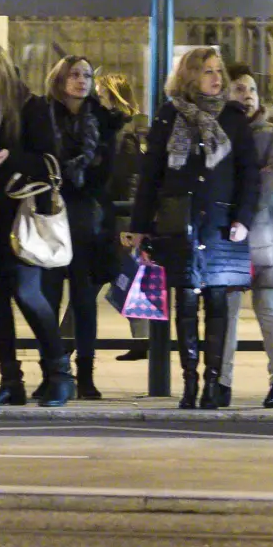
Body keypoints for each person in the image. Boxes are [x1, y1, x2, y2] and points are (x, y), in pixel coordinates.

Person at [123, 47, 259, 410]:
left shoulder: (234, 117)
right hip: (177, 222)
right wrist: (140, 226)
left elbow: (250, 176)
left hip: (221, 224)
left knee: (217, 302)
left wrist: (243, 219)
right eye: (206, 71)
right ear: (189, 77)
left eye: (218, 71)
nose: (216, 77)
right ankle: (189, 380)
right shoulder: (170, 116)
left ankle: (213, 382)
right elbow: (151, 175)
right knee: (183, 302)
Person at [0, 41, 74, 407]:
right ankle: (11, 380)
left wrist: (13, 157)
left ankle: (58, 374)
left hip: (21, 217)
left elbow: (51, 160)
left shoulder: (29, 107)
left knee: (27, 293)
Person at [37, 55, 125, 401]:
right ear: (59, 80)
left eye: (87, 75)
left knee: (84, 302)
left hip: (89, 221)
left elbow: (108, 174)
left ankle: (85, 375)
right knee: (48, 299)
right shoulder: (43, 116)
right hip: (51, 217)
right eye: (74, 75)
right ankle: (54, 373)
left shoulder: (102, 120)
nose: (81, 81)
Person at [222, 65, 273, 409]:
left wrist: (241, 210)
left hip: (263, 229)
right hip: (229, 232)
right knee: (227, 310)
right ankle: (221, 381)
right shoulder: (221, 131)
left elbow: (271, 177)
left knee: (268, 308)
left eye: (251, 89)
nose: (246, 96)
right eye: (238, 89)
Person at [98, 72, 150, 363]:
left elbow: (126, 176)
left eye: (99, 92)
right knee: (126, 277)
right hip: (123, 213)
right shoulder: (133, 127)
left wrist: (125, 217)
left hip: (119, 215)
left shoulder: (122, 130)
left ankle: (65, 341)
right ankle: (142, 340)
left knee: (103, 276)